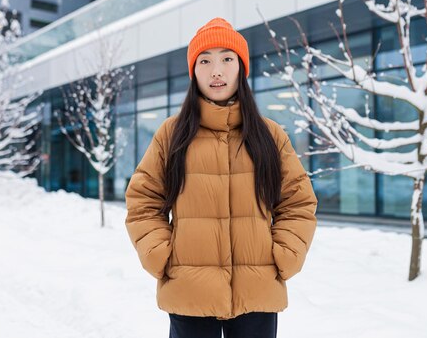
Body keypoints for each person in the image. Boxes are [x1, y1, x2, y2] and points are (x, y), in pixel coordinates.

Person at [125, 17, 318, 338]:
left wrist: (284, 255)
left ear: (241, 68)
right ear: (193, 71)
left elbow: (297, 203)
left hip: (257, 290)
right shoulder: (171, 135)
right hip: (190, 292)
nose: (217, 71)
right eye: (206, 61)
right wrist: (162, 256)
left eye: (227, 59)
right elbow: (143, 202)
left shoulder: (270, 134)